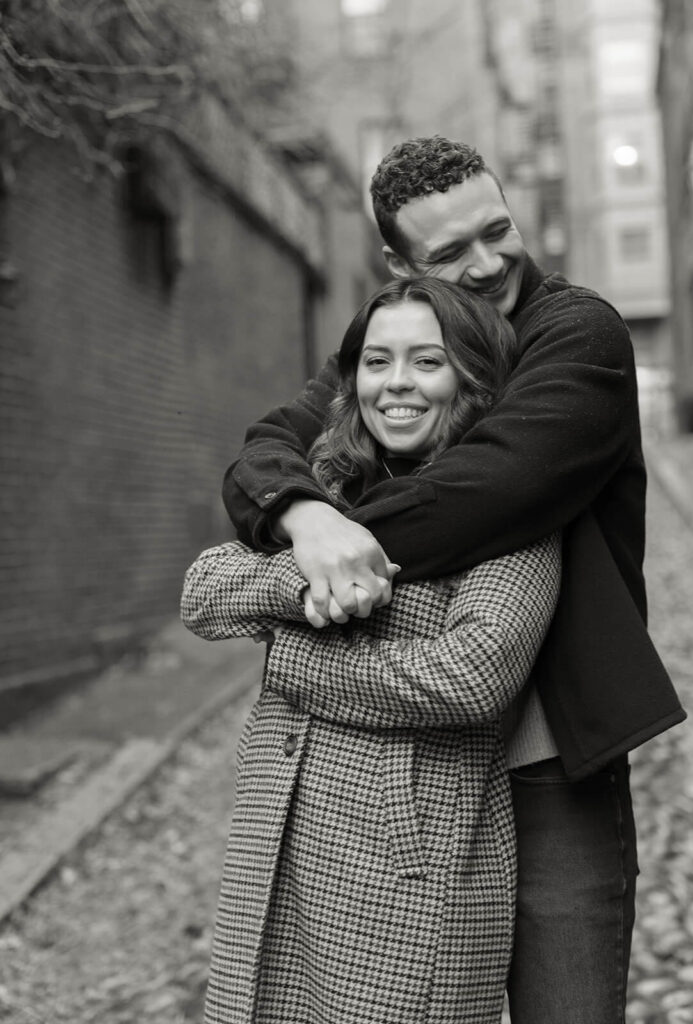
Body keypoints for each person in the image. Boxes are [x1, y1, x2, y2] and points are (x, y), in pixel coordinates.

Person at [220, 136, 686, 1022]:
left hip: (549, 760)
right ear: (399, 261)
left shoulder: (577, 333)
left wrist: (302, 563)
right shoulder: (406, 336)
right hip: (411, 763)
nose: (487, 263)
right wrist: (303, 517)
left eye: (496, 229)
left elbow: (484, 497)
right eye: (448, 254)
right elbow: (264, 450)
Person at [182, 277, 562, 1024]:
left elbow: (471, 676)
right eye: (377, 361)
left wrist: (294, 659)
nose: (396, 385)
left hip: (409, 866)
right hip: (280, 836)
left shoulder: (513, 510)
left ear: (474, 374)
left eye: (427, 362)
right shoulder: (326, 485)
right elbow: (203, 589)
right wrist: (310, 571)